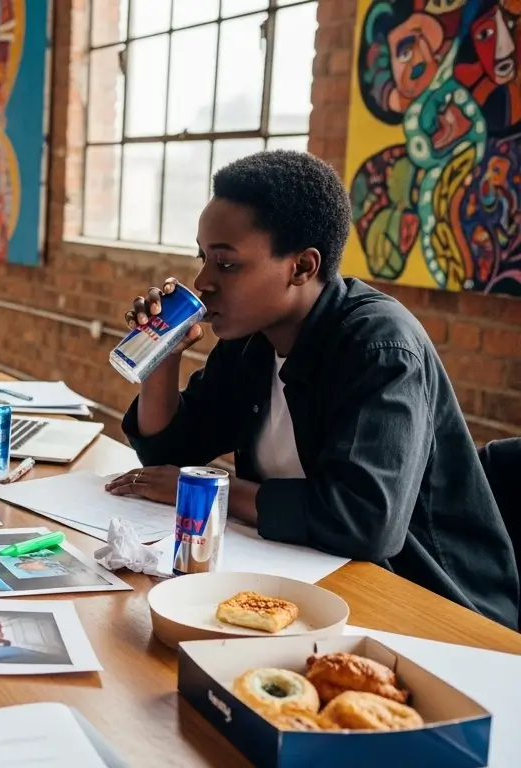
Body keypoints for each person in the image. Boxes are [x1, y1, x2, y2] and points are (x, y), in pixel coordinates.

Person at [106, 149, 519, 629]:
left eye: (227, 264)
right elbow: (166, 454)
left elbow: (364, 522)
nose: (203, 282)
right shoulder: (251, 344)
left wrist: (211, 491)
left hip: (432, 608)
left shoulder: (379, 348)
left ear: (302, 267)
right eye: (202, 257)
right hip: (311, 577)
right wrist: (163, 355)